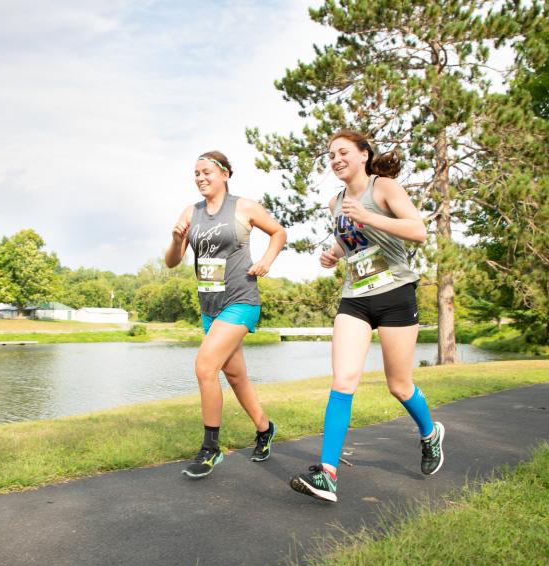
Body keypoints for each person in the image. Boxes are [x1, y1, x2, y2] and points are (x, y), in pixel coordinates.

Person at [288, 130, 443, 503]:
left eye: (343, 152)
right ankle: (327, 473)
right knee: (343, 380)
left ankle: (430, 434)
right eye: (330, 155)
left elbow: (418, 231)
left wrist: (370, 217)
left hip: (395, 295)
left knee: (399, 385)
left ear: (363, 155)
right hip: (355, 297)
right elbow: (351, 241)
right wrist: (333, 253)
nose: (336, 159)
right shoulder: (335, 202)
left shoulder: (384, 187)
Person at [165, 150, 287, 479]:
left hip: (241, 300)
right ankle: (265, 429)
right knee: (235, 376)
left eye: (206, 172)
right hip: (210, 306)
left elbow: (279, 233)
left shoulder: (243, 207)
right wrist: (177, 240)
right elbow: (172, 261)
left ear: (225, 174)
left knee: (205, 367)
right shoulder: (191, 213)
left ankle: (211, 448)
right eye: (196, 173)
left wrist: (266, 261)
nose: (201, 178)